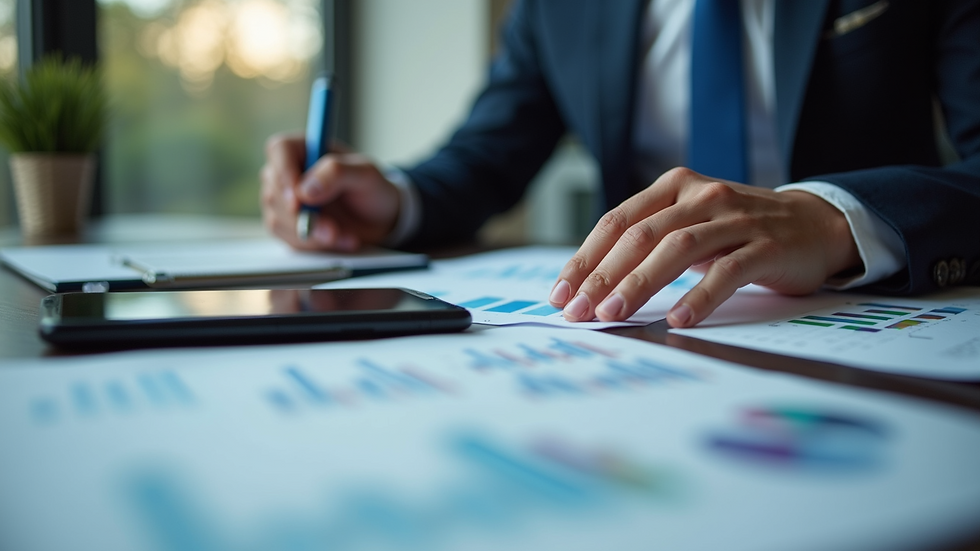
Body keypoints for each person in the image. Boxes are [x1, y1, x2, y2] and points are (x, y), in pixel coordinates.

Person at [261, 0, 980, 328]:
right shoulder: (558, 9)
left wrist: (832, 218)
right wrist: (393, 200)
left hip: (871, 315)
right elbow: (486, 156)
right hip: (649, 328)